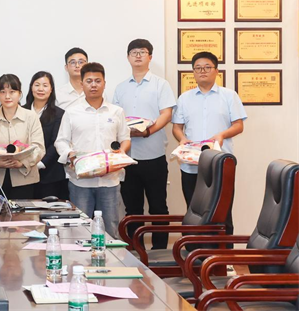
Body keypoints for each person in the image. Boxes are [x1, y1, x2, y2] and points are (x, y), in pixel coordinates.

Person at [55, 62, 130, 238]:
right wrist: (70, 155)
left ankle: (110, 257)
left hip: (110, 180)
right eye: (89, 81)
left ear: (104, 83)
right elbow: (61, 141)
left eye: (98, 81)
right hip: (80, 182)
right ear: (82, 84)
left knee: (110, 228)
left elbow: (125, 139)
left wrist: (121, 153)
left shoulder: (116, 111)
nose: (93, 85)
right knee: (80, 230)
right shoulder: (72, 112)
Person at [113, 39, 176, 249]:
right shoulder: (121, 88)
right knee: (132, 210)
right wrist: (125, 133)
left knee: (158, 208)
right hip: (128, 158)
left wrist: (148, 131)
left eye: (142, 52)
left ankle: (160, 252)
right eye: (134, 52)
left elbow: (166, 114)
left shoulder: (161, 84)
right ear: (128, 57)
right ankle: (136, 251)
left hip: (154, 155)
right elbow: (115, 119)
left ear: (150, 57)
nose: (138, 55)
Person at [172, 51, 247, 206]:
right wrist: (182, 139)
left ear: (216, 71)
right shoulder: (184, 98)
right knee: (193, 208)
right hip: (191, 163)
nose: (202, 71)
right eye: (198, 68)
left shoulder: (229, 96)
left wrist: (222, 135)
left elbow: (239, 125)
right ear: (193, 72)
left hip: (220, 161)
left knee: (222, 210)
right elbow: (177, 127)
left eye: (207, 67)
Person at [0, 74, 45, 200]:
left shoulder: (31, 117)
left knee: (22, 212)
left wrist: (22, 163)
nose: (7, 96)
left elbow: (39, 148)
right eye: (3, 92)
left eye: (12, 92)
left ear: (19, 94)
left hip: (24, 177)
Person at [22, 71, 68, 200]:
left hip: (50, 174)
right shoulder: (21, 111)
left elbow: (56, 142)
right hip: (23, 172)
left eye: (45, 85)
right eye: (37, 85)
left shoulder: (59, 114)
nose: (41, 89)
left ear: (51, 89)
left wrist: (41, 164)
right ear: (31, 87)